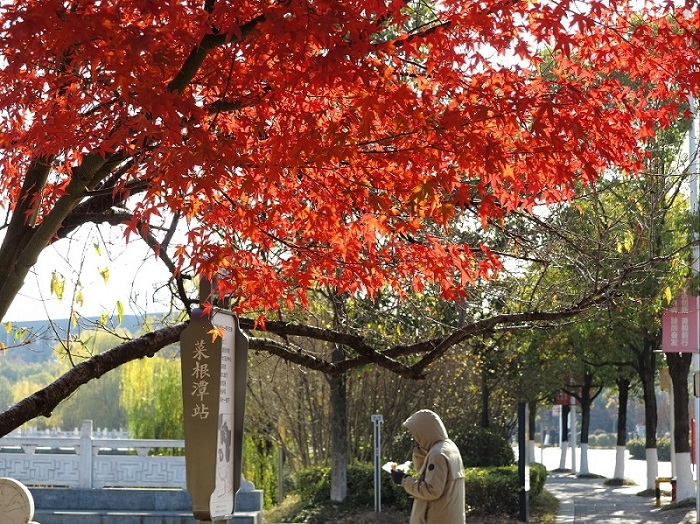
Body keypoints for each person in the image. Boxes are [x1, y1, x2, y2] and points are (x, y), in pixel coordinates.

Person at [391, 409, 465, 524]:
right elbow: (425, 472)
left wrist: (403, 480)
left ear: (424, 432)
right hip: (449, 517)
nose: (415, 438)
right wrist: (418, 449)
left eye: (416, 434)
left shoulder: (436, 455)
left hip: (435, 518)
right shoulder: (449, 447)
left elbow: (431, 490)